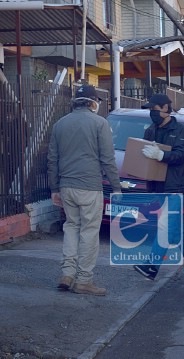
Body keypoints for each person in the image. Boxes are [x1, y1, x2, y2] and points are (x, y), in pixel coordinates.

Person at [47, 84, 122, 296]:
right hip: (89, 186)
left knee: (71, 227)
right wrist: (116, 187)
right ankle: (84, 280)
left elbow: (52, 158)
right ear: (92, 103)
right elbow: (107, 159)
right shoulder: (100, 123)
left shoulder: (60, 124)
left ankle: (67, 273)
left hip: (66, 186)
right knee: (89, 231)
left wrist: (54, 188)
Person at [133, 93, 184, 281]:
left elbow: (181, 155)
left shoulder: (181, 131)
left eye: (154, 109)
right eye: (149, 110)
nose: (151, 113)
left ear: (165, 108)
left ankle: (151, 266)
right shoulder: (150, 130)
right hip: (158, 187)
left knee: (166, 226)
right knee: (177, 228)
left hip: (177, 186)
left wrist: (161, 156)